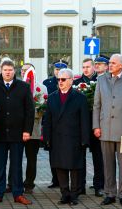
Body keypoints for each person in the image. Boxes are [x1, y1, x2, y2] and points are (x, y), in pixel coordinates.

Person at [93, 54, 122, 206]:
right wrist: (96, 126)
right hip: (105, 129)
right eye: (110, 63)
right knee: (107, 164)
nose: (110, 65)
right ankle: (109, 193)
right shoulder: (101, 80)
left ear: (121, 65)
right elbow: (96, 105)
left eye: (113, 63)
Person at [0, 60, 35, 205]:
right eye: (5, 70)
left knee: (16, 165)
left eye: (10, 70)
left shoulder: (23, 87)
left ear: (14, 71)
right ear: (0, 71)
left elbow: (29, 110)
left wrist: (27, 130)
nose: (8, 72)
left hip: (17, 133)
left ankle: (18, 193)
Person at [43, 68, 90, 205]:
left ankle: (74, 195)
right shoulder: (52, 97)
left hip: (74, 138)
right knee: (60, 166)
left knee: (75, 168)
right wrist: (47, 139)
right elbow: (48, 121)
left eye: (63, 79)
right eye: (58, 79)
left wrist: (84, 140)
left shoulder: (80, 97)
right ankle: (64, 194)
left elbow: (85, 121)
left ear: (71, 80)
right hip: (57, 139)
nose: (60, 82)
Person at [73, 58, 102, 196]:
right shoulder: (76, 84)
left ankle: (99, 186)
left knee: (99, 157)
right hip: (81, 126)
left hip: (97, 125)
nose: (86, 69)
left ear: (94, 68)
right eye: (83, 67)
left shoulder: (101, 82)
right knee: (80, 157)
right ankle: (80, 186)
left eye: (88, 67)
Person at [21, 63, 48, 194]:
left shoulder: (41, 88)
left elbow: (42, 110)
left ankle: (29, 183)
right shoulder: (17, 86)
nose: (24, 72)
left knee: (31, 158)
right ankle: (13, 182)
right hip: (18, 130)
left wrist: (28, 113)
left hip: (34, 129)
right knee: (15, 158)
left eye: (27, 70)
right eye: (22, 70)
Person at [43, 60, 68, 189]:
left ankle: (64, 181)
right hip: (53, 123)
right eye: (56, 69)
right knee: (53, 155)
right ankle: (55, 179)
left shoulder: (70, 83)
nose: (57, 71)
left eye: (60, 69)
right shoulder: (47, 83)